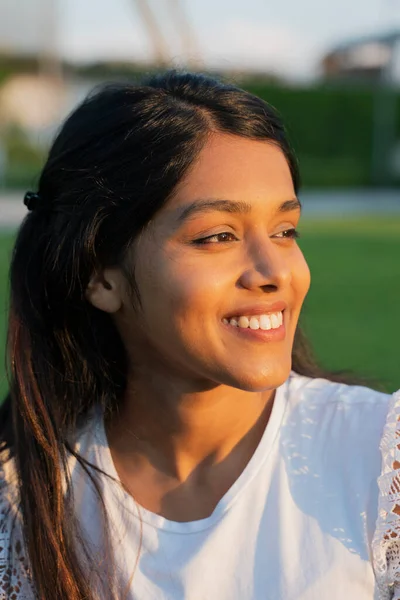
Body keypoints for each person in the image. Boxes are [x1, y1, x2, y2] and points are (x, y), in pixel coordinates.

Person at [0, 69, 398, 600]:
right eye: (217, 236)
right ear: (100, 275)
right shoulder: (23, 498)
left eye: (284, 231)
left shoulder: (380, 464)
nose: (274, 272)